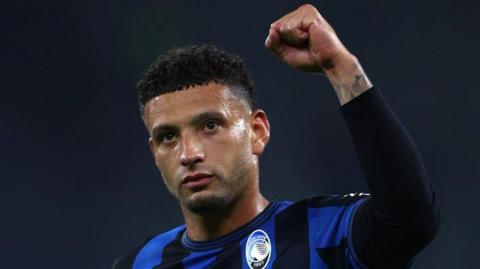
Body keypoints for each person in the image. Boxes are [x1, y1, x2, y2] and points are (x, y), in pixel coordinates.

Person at [113, 4, 439, 269]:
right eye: (169, 136)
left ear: (257, 131)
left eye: (210, 126)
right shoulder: (138, 264)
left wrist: (340, 67)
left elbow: (411, 222)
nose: (189, 153)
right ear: (154, 151)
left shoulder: (325, 236)